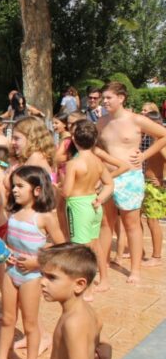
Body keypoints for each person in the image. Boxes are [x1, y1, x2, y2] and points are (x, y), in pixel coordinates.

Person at [0, 166, 63, 359]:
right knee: (7, 319)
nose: (14, 190)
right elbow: (10, 242)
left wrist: (37, 261)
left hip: (31, 276)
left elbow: (61, 247)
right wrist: (6, 253)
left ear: (38, 190)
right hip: (11, 272)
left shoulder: (45, 218)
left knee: (30, 324)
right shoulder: (13, 212)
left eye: (20, 186)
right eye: (14, 185)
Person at [97, 81, 166, 284]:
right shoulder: (101, 122)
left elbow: (163, 135)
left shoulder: (136, 120)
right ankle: (104, 263)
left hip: (130, 177)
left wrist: (144, 155)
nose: (105, 101)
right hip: (108, 177)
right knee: (106, 223)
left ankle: (135, 269)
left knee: (132, 224)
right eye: (104, 98)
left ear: (121, 98)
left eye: (108, 97)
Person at [38, 244, 106, 359]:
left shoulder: (73, 322)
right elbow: (97, 337)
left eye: (51, 277)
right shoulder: (86, 311)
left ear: (79, 285)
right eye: (42, 275)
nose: (42, 282)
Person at [62, 120, 118, 299]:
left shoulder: (74, 163)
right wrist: (100, 198)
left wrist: (58, 185)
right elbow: (110, 184)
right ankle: (104, 279)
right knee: (95, 244)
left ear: (73, 139)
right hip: (94, 204)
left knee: (81, 249)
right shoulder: (97, 161)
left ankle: (87, 289)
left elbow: (67, 192)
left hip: (79, 207)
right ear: (95, 140)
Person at [140, 106, 165, 267]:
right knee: (141, 219)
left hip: (154, 186)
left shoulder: (161, 142)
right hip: (147, 183)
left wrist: (164, 181)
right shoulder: (155, 140)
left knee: (153, 221)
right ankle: (139, 251)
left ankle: (156, 256)